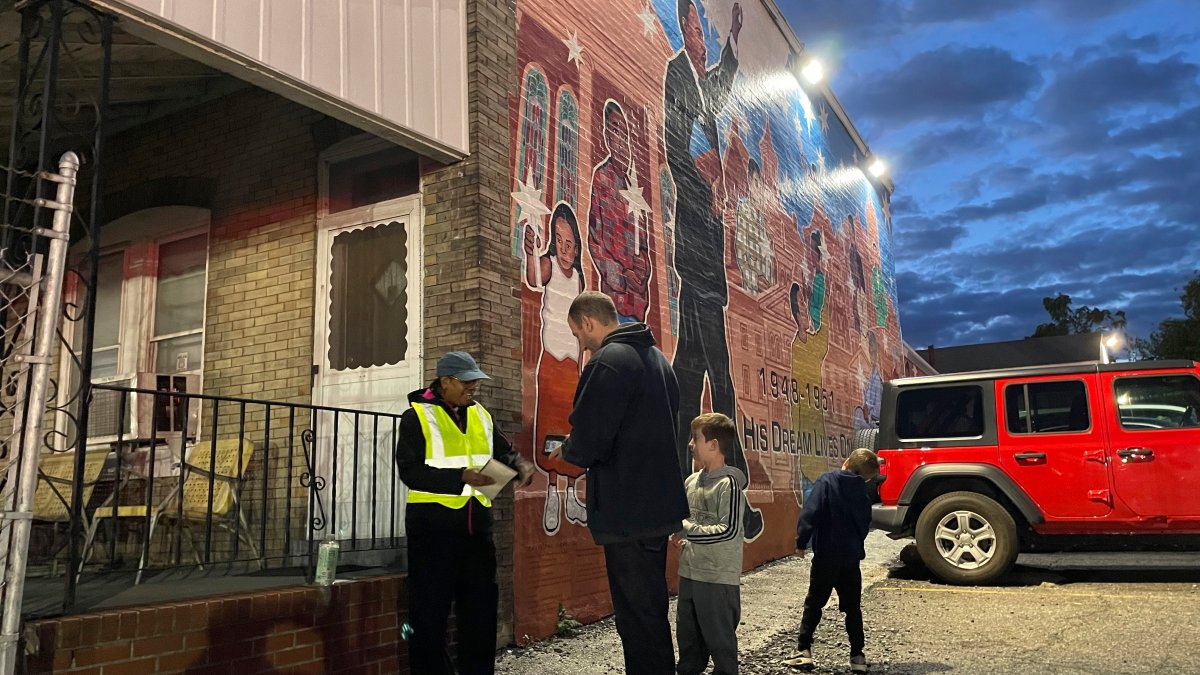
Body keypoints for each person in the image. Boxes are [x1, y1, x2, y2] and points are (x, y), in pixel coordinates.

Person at [663, 0, 764, 541]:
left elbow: (720, 92)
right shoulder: (677, 74)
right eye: (686, 23)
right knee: (718, 379)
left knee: (688, 378)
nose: (692, 31)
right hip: (696, 248)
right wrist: (709, 193)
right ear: (681, 27)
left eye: (697, 24)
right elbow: (675, 150)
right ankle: (740, 502)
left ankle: (677, 493)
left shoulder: (702, 80)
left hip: (708, 255)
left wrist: (734, 46)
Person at [550, 291, 688, 674]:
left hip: (627, 509)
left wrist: (569, 449)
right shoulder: (658, 360)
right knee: (651, 611)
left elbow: (592, 439)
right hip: (657, 506)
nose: (580, 342)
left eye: (578, 333)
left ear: (589, 323)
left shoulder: (608, 362)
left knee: (635, 617)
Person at [395, 351, 535, 675]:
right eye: (466, 384)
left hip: (477, 533)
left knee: (480, 616)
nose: (473, 390)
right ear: (446, 381)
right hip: (433, 533)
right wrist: (460, 476)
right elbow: (410, 471)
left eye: (475, 384)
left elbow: (503, 450)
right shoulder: (416, 416)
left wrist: (520, 465)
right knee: (428, 618)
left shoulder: (481, 414)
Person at [782, 448, 880, 673]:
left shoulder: (827, 482)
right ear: (865, 476)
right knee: (852, 608)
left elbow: (811, 513)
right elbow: (865, 523)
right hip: (851, 559)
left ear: (846, 462)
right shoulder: (863, 493)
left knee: (814, 603)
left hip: (826, 555)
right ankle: (857, 657)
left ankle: (803, 650)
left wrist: (801, 542)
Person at [523, 202, 588, 533]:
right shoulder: (547, 263)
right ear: (553, 241)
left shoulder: (578, 278)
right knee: (550, 432)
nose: (565, 247)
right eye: (559, 240)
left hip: (572, 370)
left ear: (577, 246)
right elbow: (534, 278)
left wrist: (585, 365)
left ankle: (573, 496)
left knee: (572, 432)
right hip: (551, 362)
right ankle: (552, 493)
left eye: (571, 242)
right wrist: (530, 249)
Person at [673, 412, 747, 675]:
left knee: (721, 646)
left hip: (717, 579)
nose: (691, 444)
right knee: (688, 644)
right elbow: (684, 520)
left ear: (714, 445)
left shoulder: (729, 485)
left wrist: (685, 530)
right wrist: (681, 535)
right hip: (690, 574)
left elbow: (727, 530)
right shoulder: (691, 482)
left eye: (696, 438)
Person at [588, 100, 651, 323]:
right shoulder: (601, 178)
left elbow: (643, 245)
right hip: (614, 302)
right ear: (606, 136)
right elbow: (594, 242)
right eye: (615, 131)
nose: (622, 140)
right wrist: (623, 277)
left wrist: (642, 271)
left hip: (639, 303)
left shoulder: (634, 188)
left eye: (625, 133)